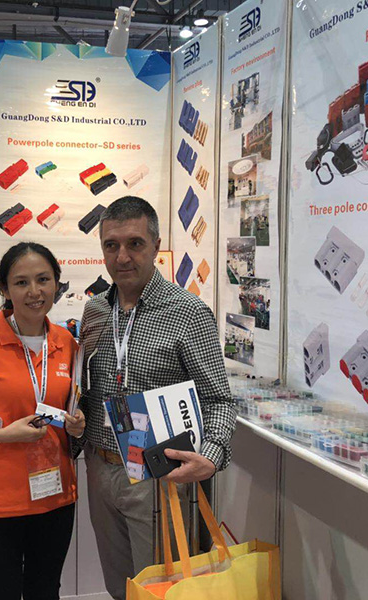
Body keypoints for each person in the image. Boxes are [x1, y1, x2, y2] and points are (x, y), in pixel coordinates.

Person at [76, 196, 236, 600]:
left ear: (156, 246)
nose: (122, 257)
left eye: (135, 243)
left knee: (163, 591)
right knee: (119, 586)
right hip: (101, 468)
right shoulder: (95, 311)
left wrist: (211, 456)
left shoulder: (188, 312)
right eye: (111, 245)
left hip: (158, 476)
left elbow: (219, 399)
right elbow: (88, 387)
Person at [0, 242, 86, 600]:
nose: (34, 291)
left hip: (55, 497)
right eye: (21, 282)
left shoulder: (67, 342)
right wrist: (0, 433)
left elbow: (68, 404)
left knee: (45, 591)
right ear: (5, 290)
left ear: (56, 284)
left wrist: (76, 422)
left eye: (43, 279)